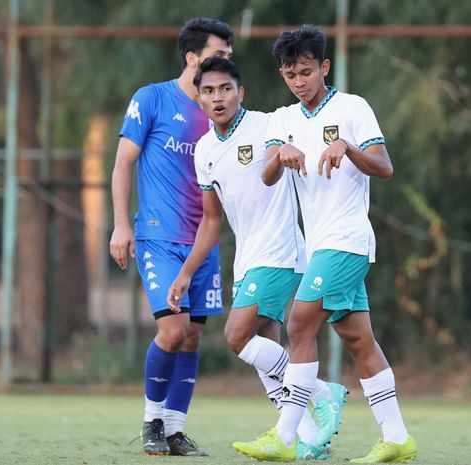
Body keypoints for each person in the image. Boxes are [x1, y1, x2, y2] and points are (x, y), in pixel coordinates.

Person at [231, 25, 417, 463]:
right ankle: (396, 437)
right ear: (283, 75)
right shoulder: (283, 119)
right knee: (359, 340)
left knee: (298, 325)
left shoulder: (353, 108)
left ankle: (287, 435)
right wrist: (281, 155)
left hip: (347, 240)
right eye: (291, 74)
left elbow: (385, 167)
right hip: (320, 246)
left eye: (307, 72)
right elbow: (268, 174)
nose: (299, 82)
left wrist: (348, 148)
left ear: (324, 67)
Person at [166, 56, 348, 461]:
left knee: (236, 336)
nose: (218, 98)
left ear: (240, 92)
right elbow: (212, 220)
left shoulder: (268, 124)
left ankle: (321, 392)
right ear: (199, 98)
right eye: (209, 91)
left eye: (226, 89)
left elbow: (295, 145)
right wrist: (185, 272)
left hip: (281, 252)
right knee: (266, 356)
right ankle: (306, 439)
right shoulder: (204, 150)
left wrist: (289, 149)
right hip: (247, 259)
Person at [109, 17, 233, 457]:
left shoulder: (220, 110)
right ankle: (151, 423)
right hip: (159, 238)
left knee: (194, 337)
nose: (224, 65)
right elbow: (124, 163)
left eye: (229, 59)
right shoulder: (152, 99)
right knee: (173, 330)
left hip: (203, 243)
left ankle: (176, 431)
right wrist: (122, 224)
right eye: (218, 55)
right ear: (192, 58)